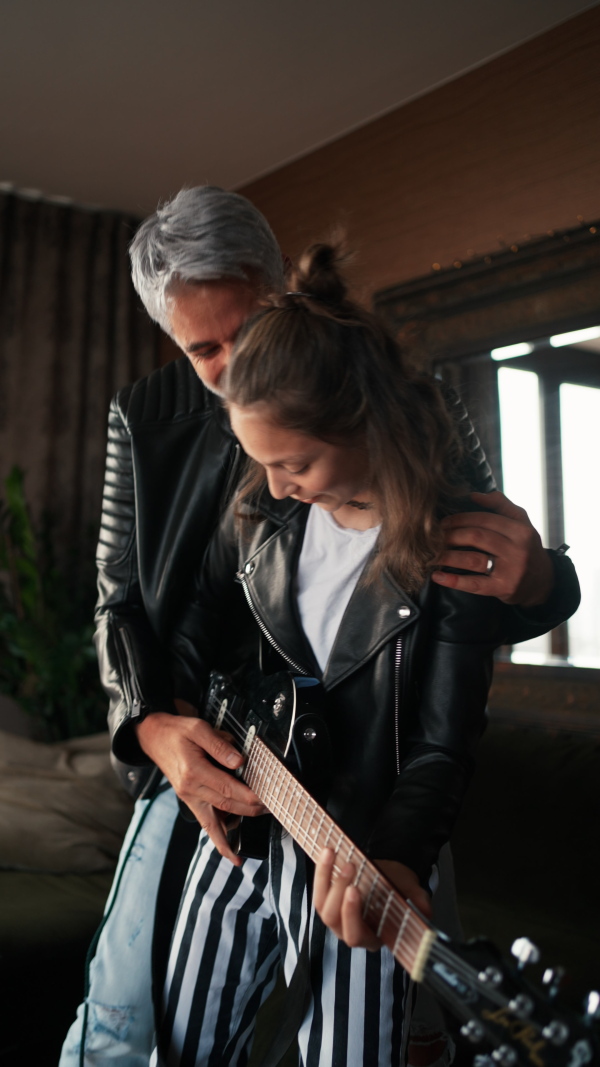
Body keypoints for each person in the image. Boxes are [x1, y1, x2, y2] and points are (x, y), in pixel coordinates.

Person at [60, 188, 579, 1067]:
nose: (230, 367)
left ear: (286, 298)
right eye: (203, 350)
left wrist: (544, 580)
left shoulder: (414, 419)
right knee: (127, 1020)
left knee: (379, 1025)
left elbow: (480, 590)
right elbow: (128, 604)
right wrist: (154, 727)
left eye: (247, 329)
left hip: (359, 777)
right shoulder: (147, 421)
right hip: (210, 742)